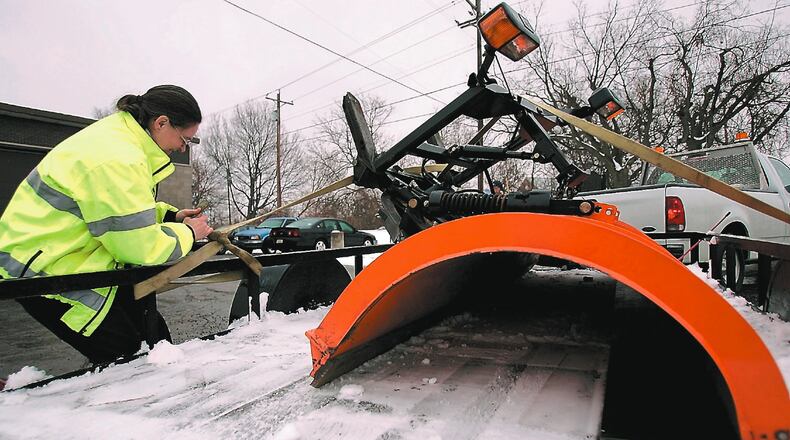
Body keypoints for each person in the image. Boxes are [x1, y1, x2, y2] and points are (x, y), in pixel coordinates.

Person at [0, 85, 213, 365]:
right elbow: (140, 248)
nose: (183, 148)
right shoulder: (118, 157)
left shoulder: (121, 140)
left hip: (75, 255)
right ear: (161, 123)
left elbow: (118, 210)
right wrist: (190, 232)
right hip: (42, 267)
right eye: (185, 139)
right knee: (126, 353)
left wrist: (171, 217)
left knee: (154, 336)